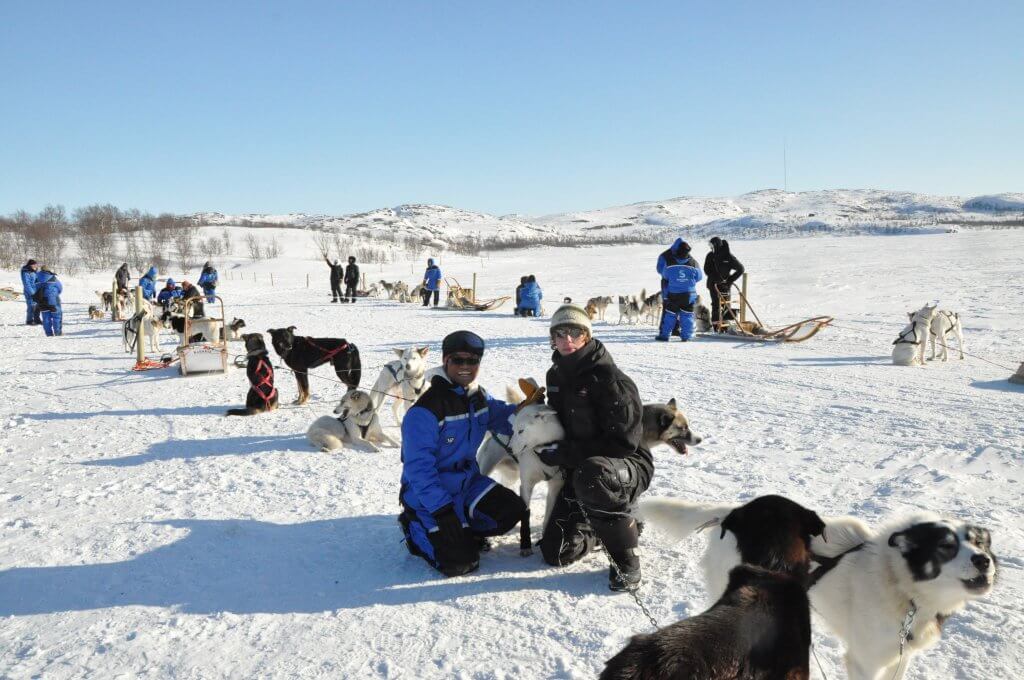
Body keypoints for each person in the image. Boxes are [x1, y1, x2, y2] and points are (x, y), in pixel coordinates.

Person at [535, 305, 652, 592]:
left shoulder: (610, 379)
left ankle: (626, 560)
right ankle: (604, 528)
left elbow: (623, 443)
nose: (567, 340)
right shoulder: (556, 376)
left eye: (575, 332)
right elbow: (558, 421)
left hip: (626, 464)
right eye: (559, 333)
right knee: (557, 552)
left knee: (594, 474)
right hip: (583, 467)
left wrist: (567, 454)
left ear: (587, 336)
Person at [398, 330, 526, 576]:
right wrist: (441, 509)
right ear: (445, 361)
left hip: (468, 484)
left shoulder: (477, 398)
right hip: (428, 494)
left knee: (512, 510)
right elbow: (418, 470)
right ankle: (414, 527)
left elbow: (505, 418)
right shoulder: (424, 411)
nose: (465, 366)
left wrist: (531, 412)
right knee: (460, 563)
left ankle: (464, 529)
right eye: (458, 360)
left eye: (473, 361)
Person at [655, 238, 703, 341]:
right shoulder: (694, 263)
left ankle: (665, 336)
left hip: (674, 294)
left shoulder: (669, 263)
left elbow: (665, 276)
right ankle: (686, 336)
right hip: (689, 294)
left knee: (670, 315)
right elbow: (699, 277)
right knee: (687, 315)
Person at [703, 237, 745, 332]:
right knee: (716, 305)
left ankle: (726, 327)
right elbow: (706, 270)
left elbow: (741, 269)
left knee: (726, 306)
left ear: (716, 245)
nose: (710, 247)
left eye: (711, 245)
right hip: (713, 285)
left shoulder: (728, 256)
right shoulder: (710, 256)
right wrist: (714, 277)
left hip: (725, 285)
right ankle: (716, 327)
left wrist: (729, 280)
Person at [34, 269, 63, 337]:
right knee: (56, 317)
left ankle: (49, 334)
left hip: (42, 300)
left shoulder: (37, 279)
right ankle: (57, 333)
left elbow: (35, 289)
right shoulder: (53, 278)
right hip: (53, 300)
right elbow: (60, 288)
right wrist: (55, 294)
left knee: (46, 317)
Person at [20, 259, 40, 325]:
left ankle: (37, 319)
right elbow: (26, 284)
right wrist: (32, 293)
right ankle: (29, 320)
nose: (35, 266)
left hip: (36, 291)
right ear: (30, 265)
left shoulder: (34, 272)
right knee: (31, 306)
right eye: (34, 265)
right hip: (29, 292)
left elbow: (37, 281)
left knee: (37, 306)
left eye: (36, 265)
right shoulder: (25, 272)